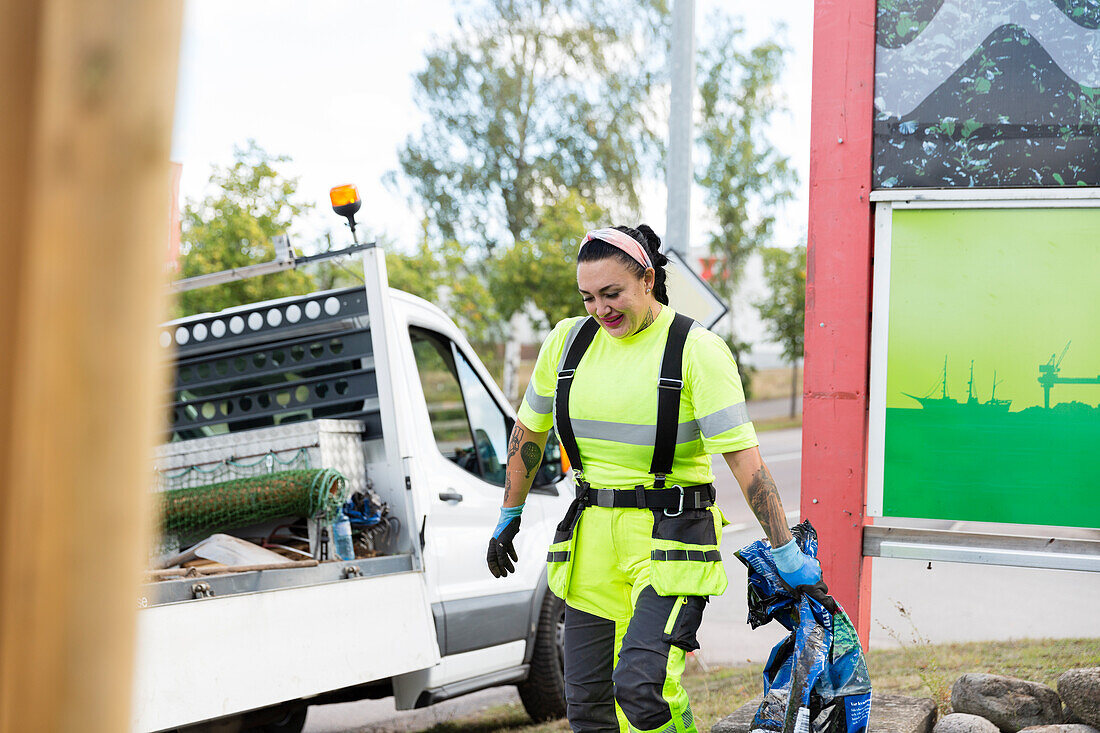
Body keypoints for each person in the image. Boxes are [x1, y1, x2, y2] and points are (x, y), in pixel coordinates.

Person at [486, 225, 822, 733]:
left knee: (643, 689)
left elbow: (744, 461)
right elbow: (528, 433)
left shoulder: (697, 349)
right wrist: (508, 513)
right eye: (589, 297)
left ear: (647, 279)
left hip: (672, 538)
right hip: (592, 541)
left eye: (612, 293)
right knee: (588, 707)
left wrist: (783, 548)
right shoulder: (567, 343)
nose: (601, 309)